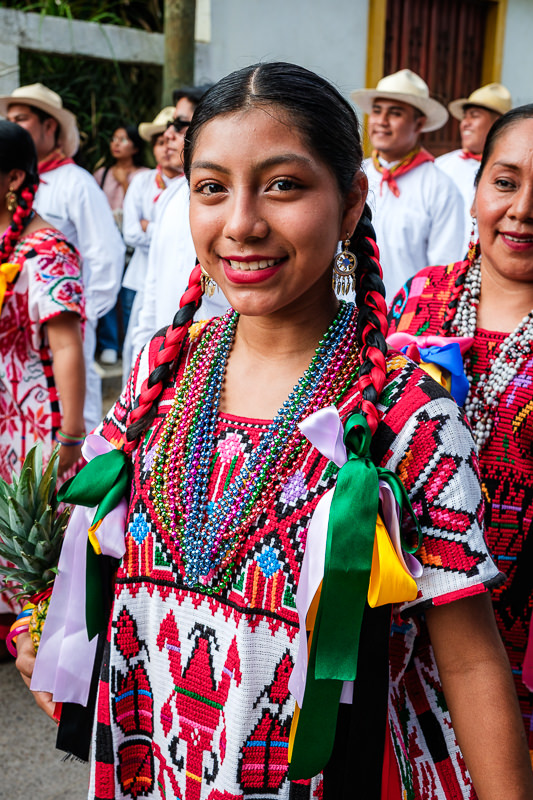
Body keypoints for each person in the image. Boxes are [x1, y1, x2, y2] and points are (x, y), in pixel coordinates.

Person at [16, 64, 533, 800]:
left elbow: (470, 661)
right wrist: (53, 632)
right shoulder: (158, 378)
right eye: (212, 187)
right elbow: (92, 550)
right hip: (149, 764)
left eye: (283, 185)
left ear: (352, 203)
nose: (240, 224)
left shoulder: (405, 417)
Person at [389, 103, 533, 766]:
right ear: (475, 186)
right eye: (505, 182)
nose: (521, 209)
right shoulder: (420, 294)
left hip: (519, 621)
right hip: (409, 605)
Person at [0, 120, 85, 656]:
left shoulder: (46, 247)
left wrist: (72, 435)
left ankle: (36, 637)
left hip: (33, 415)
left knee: (30, 523)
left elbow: (67, 345)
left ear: (11, 177)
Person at [0, 83, 125, 430]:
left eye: (21, 118)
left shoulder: (77, 183)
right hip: (17, 340)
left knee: (72, 422)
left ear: (49, 126)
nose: (13, 124)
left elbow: (106, 255)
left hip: (62, 324)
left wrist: (81, 317)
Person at [130, 84, 228, 365]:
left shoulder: (237, 204)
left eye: (181, 124)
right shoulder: (171, 196)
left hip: (213, 365)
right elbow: (153, 289)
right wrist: (143, 360)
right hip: (162, 362)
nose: (169, 134)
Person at [351, 69, 465, 300]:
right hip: (347, 315)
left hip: (404, 322)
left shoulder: (439, 187)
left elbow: (443, 270)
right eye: (376, 111)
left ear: (418, 123)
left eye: (395, 113)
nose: (382, 121)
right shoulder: (354, 176)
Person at [121, 107, 181, 380]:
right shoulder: (142, 181)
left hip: (176, 278)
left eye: (170, 140)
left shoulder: (191, 188)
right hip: (139, 277)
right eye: (159, 143)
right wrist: (165, 232)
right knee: (137, 341)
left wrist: (152, 226)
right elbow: (131, 232)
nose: (166, 148)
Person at [93, 124, 148, 366]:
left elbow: (140, 211)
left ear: (135, 147)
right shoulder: (101, 174)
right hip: (107, 241)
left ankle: (129, 344)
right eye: (114, 139)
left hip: (134, 246)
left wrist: (125, 183)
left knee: (129, 297)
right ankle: (109, 343)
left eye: (123, 139)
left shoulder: (144, 176)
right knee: (107, 290)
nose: (116, 143)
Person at [437, 83, 512, 251]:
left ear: (497, 123)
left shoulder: (511, 171)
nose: (465, 123)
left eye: (474, 116)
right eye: (465, 117)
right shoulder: (441, 166)